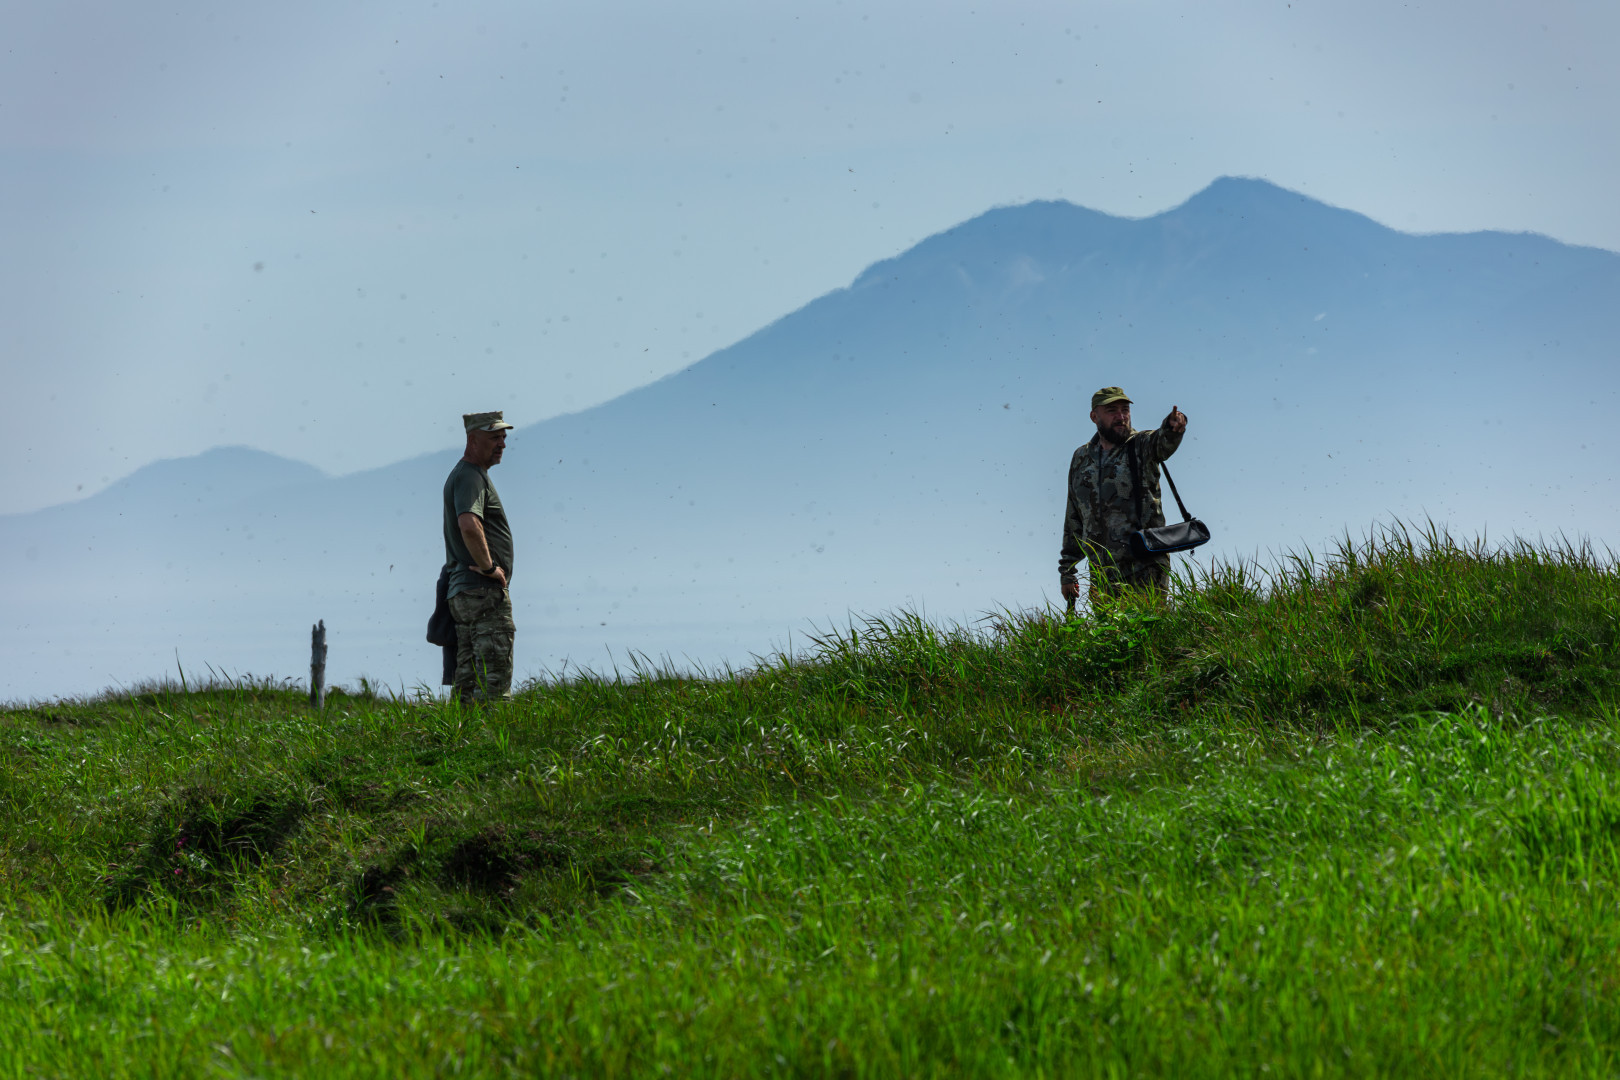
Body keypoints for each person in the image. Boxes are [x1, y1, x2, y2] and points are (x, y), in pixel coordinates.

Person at [1059, 386, 1189, 607]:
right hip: (1101, 572)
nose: (1121, 417)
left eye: (1125, 410)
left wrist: (1174, 425)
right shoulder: (1081, 458)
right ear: (1094, 416)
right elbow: (1074, 516)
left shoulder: (1141, 445)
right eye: (1112, 410)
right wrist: (1067, 571)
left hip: (1145, 566)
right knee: (1108, 637)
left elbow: (1162, 442)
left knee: (1147, 635)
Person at [443, 410, 517, 702]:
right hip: (482, 592)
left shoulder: (468, 475)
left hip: (465, 593)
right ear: (473, 440)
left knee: (467, 683)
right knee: (494, 686)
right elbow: (469, 525)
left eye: (503, 437)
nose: (502, 444)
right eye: (494, 437)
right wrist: (490, 569)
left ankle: (461, 743)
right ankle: (494, 745)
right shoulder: (470, 477)